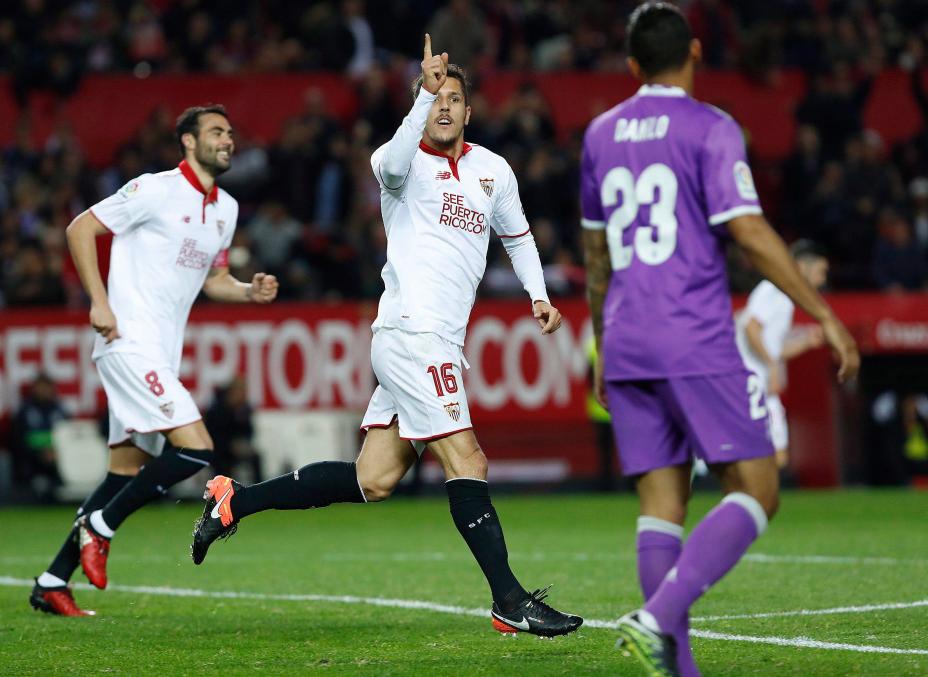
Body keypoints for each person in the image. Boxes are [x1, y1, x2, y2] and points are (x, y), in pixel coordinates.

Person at [192, 34, 582, 638]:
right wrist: (417, 102)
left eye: (454, 98)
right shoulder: (396, 165)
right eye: (435, 99)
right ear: (422, 107)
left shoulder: (492, 171)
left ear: (470, 111)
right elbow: (395, 162)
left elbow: (520, 237)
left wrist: (537, 295)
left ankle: (233, 502)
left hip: (438, 340)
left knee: (373, 478)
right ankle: (509, 600)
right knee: (468, 458)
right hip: (411, 334)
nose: (444, 107)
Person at [580, 4, 859, 675]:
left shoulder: (599, 133)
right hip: (692, 336)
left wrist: (600, 345)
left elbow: (596, 258)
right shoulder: (711, 127)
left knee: (662, 504)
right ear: (696, 53)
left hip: (626, 339)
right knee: (759, 487)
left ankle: (680, 669)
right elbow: (752, 233)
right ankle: (653, 619)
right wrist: (822, 312)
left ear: (631, 65)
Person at [30, 104, 279, 618]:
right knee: (196, 449)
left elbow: (213, 280)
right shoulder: (154, 189)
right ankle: (100, 529)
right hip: (128, 342)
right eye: (215, 132)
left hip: (159, 352)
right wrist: (98, 301)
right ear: (188, 142)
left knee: (123, 474)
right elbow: (81, 229)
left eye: (230, 132)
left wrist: (246, 292)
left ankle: (52, 581)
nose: (227, 140)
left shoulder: (226, 209)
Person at [736, 240, 829, 470]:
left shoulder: (784, 296)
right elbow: (751, 327)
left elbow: (774, 347)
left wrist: (806, 341)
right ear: (801, 267)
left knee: (774, 454)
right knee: (770, 454)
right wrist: (772, 365)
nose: (823, 279)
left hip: (758, 382)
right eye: (821, 271)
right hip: (752, 381)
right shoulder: (774, 288)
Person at [12, 373, 66, 498]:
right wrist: (41, 450)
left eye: (47, 387)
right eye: (42, 387)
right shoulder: (25, 410)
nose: (45, 390)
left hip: (56, 456)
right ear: (34, 388)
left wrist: (54, 449)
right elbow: (19, 438)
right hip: (32, 458)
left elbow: (66, 434)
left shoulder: (58, 409)